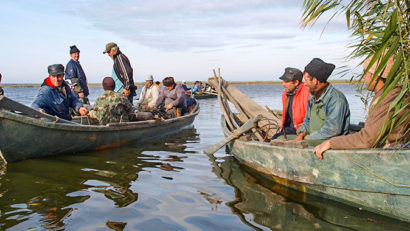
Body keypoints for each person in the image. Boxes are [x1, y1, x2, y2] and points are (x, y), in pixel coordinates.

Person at [313, 54, 410, 159]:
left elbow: (367, 139)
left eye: (365, 72)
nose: (364, 77)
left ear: (375, 75)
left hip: (392, 157)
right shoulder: (395, 93)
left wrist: (331, 143)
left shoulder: (388, 99)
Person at [295, 58, 351, 145]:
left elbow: (332, 130)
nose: (304, 84)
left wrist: (307, 139)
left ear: (315, 81)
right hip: (312, 138)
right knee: (281, 138)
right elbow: (307, 120)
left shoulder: (336, 99)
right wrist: (301, 134)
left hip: (329, 143)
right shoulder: (312, 97)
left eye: (306, 80)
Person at [272, 67, 310, 139]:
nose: (283, 84)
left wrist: (302, 134)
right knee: (274, 138)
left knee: (277, 138)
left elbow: (310, 118)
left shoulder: (307, 92)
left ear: (296, 82)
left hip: (302, 130)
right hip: (290, 129)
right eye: (283, 81)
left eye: (286, 82)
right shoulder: (285, 94)